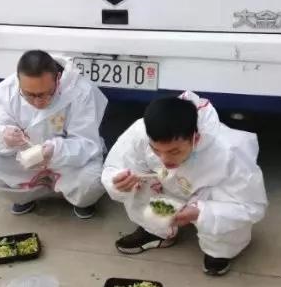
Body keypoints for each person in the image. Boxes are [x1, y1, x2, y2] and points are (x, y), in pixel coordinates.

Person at [102, 92, 268, 276]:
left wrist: (201, 212)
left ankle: (219, 250)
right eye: (156, 150)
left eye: (174, 151)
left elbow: (249, 206)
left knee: (224, 220)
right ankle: (157, 231)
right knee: (137, 182)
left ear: (195, 138)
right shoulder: (140, 132)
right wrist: (118, 182)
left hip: (207, 196)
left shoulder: (228, 151)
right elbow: (115, 166)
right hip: (168, 186)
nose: (164, 159)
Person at [0, 50, 107, 218]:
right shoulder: (5, 90)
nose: (37, 102)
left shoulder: (81, 91)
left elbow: (87, 143)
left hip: (67, 162)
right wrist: (3, 137)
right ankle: (24, 197)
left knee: (91, 180)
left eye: (45, 94)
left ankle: (80, 200)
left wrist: (55, 151)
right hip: (24, 160)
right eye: (29, 95)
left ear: (58, 78)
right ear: (18, 81)